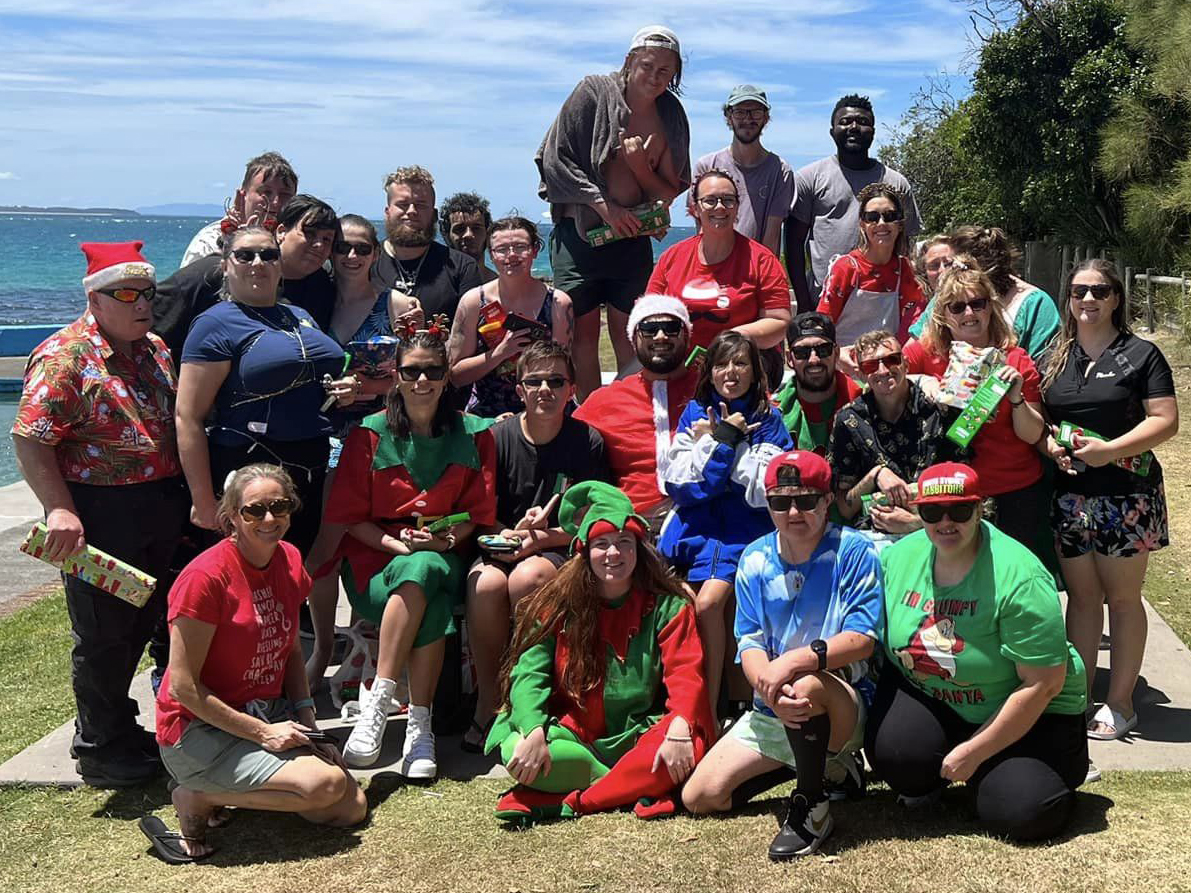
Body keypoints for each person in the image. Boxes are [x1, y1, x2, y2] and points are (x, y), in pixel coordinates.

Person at [12, 241, 189, 788]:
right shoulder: (65, 356)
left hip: (161, 503)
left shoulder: (154, 347)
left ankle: (127, 728)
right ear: (95, 297)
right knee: (105, 633)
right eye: (126, 294)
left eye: (147, 293)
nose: (141, 304)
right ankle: (100, 745)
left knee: (153, 619)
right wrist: (59, 509)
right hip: (101, 508)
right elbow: (31, 439)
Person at [143, 465, 366, 864]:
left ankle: (230, 795)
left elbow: (291, 649)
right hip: (197, 730)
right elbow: (183, 688)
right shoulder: (205, 579)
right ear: (231, 518)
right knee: (324, 786)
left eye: (279, 506)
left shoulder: (290, 559)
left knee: (351, 808)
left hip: (267, 714)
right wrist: (264, 734)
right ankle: (194, 794)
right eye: (254, 510)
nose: (269, 519)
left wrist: (307, 719)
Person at [869, 462, 1088, 841]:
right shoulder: (898, 557)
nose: (945, 523)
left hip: (1034, 710)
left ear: (980, 507)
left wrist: (974, 751)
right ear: (918, 511)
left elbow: (1043, 685)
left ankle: (1024, 770)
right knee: (896, 756)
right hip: (942, 696)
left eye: (960, 510)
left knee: (1021, 812)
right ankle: (954, 768)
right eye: (932, 512)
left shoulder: (1019, 576)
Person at [682, 451, 882, 860]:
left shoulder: (855, 551)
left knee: (804, 683)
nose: (794, 511)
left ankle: (812, 806)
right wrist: (766, 685)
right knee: (701, 797)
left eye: (807, 500)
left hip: (842, 698)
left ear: (827, 501)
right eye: (780, 502)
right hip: (773, 704)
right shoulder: (754, 558)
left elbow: (863, 638)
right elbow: (750, 642)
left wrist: (792, 662)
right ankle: (831, 770)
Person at [485, 481, 714, 822]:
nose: (614, 554)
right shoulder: (555, 606)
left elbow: (685, 674)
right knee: (515, 749)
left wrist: (680, 724)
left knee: (685, 746)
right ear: (584, 551)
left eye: (624, 543)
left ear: (639, 549)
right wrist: (533, 729)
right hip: (572, 734)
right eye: (602, 544)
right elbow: (528, 672)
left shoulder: (670, 607)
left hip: (641, 735)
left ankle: (578, 800)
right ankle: (629, 785)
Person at [324, 331, 497, 774]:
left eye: (433, 371)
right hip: (375, 560)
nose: (422, 380)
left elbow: (477, 512)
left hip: (446, 552)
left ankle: (380, 706)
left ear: (446, 379)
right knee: (430, 596)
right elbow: (351, 517)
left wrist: (443, 541)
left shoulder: (476, 434)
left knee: (424, 568)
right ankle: (419, 727)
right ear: (397, 377)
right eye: (411, 371)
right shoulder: (367, 435)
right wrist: (397, 545)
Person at [1039, 260, 1177, 741]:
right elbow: (1042, 419)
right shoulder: (1056, 356)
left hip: (1127, 496)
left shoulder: (1142, 355)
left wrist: (1110, 452)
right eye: (1079, 292)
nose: (1088, 300)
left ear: (1117, 298)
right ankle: (1078, 697)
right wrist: (1049, 445)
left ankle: (1120, 704)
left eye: (1099, 291)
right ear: (1069, 299)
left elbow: (1165, 419)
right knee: (1080, 600)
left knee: (1121, 599)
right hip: (1071, 498)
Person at [464, 341, 610, 751]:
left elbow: (592, 520)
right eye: (535, 381)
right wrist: (507, 534)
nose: (545, 389)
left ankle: (527, 697)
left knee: (531, 575)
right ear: (519, 389)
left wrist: (538, 539)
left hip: (556, 548)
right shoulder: (496, 437)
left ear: (572, 389)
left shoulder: (589, 442)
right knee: (484, 583)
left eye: (555, 381)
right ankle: (490, 699)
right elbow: (479, 511)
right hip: (502, 540)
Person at [536, 25, 691, 398]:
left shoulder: (670, 113)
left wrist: (639, 169)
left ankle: (630, 413)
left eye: (665, 71)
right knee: (583, 336)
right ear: (629, 61)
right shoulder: (593, 92)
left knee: (631, 332)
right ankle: (592, 417)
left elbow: (672, 188)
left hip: (631, 238)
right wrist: (606, 208)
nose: (654, 78)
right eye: (648, 66)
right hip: (580, 236)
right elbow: (555, 159)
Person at [175, 226, 348, 560]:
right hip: (250, 468)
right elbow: (188, 416)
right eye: (245, 255)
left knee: (293, 573)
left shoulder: (298, 315)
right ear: (225, 264)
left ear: (280, 265)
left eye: (269, 255)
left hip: (307, 467)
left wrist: (345, 388)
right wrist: (203, 500)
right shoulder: (215, 324)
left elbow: (311, 375)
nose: (258, 263)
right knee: (248, 580)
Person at [659, 331, 791, 715]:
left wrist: (722, 440)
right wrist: (727, 441)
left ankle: (709, 708)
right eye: (721, 364)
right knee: (675, 602)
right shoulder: (695, 413)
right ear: (709, 371)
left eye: (740, 363)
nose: (730, 372)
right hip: (692, 534)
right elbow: (683, 484)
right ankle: (689, 700)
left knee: (709, 603)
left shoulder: (770, 421)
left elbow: (762, 489)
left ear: (755, 371)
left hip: (741, 534)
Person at [304, 214, 410, 690]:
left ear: (376, 253)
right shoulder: (311, 302)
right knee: (320, 548)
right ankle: (326, 644)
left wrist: (365, 385)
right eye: (342, 248)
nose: (351, 256)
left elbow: (422, 373)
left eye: (362, 249)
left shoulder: (398, 305)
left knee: (377, 540)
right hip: (318, 436)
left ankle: (383, 645)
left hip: (377, 436)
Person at [904, 256, 1050, 554]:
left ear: (990, 307)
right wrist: (921, 380)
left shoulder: (1015, 359)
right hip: (950, 494)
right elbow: (885, 376)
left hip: (1015, 491)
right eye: (957, 307)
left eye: (977, 304)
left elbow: (1033, 434)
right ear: (943, 314)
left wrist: (1017, 398)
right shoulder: (926, 354)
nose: (969, 313)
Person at [154, 195, 342, 363]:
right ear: (282, 231)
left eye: (327, 239)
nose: (318, 245)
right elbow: (147, 317)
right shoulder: (217, 272)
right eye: (309, 234)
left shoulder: (323, 288)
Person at [786, 95, 920, 313]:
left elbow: (907, 247)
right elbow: (794, 243)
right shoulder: (809, 178)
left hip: (885, 298)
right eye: (846, 122)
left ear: (874, 132)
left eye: (863, 122)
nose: (854, 127)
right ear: (832, 131)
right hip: (823, 299)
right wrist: (803, 302)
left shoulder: (896, 183)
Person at [573, 295, 699, 524]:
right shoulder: (606, 400)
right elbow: (557, 432)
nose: (660, 336)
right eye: (649, 329)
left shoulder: (709, 389)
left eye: (671, 327)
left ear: (686, 335)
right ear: (634, 339)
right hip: (630, 524)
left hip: (701, 517)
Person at [828, 330, 962, 536]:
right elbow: (845, 508)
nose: (882, 370)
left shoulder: (938, 409)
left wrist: (918, 523)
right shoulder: (849, 420)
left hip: (939, 530)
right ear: (862, 374)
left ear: (906, 364)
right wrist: (876, 475)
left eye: (891, 360)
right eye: (871, 365)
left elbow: (963, 485)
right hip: (875, 535)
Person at [646, 169, 790, 350]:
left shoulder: (762, 260)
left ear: (737, 207)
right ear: (695, 208)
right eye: (710, 201)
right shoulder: (672, 257)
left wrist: (730, 342)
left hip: (740, 364)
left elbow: (778, 322)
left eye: (728, 200)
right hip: (681, 366)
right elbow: (647, 312)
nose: (720, 207)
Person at [447, 216, 575, 418]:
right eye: (502, 249)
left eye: (520, 247)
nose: (512, 255)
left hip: (544, 408)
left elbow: (563, 374)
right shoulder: (473, 302)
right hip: (488, 410)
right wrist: (500, 353)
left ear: (534, 250)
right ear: (491, 254)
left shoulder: (558, 303)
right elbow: (456, 375)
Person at [816, 183, 926, 376]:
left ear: (900, 224)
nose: (881, 223)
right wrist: (837, 354)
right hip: (846, 367)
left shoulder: (906, 270)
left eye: (890, 216)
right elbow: (822, 324)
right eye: (872, 217)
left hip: (887, 369)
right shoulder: (846, 268)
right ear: (862, 224)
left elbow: (912, 323)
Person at [910, 226, 1060, 362]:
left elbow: (1043, 373)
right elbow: (908, 357)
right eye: (958, 307)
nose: (945, 273)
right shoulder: (947, 296)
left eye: (951, 265)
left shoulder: (1035, 304)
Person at [691, 85, 794, 256]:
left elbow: (772, 235)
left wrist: (764, 276)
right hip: (715, 269)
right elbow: (702, 228)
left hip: (757, 271)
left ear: (766, 117)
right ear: (728, 117)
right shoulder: (706, 166)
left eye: (755, 112)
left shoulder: (780, 171)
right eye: (740, 112)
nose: (748, 119)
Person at [371, 166, 483, 323]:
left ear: (434, 214)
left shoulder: (462, 267)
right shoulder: (365, 261)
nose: (411, 211)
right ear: (387, 212)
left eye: (421, 205)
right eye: (403, 204)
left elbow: (471, 335)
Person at [179, 151, 298, 267]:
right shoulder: (210, 241)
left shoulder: (297, 242)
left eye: (285, 194)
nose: (275, 201)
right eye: (266, 192)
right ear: (244, 194)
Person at [772, 311, 860, 454]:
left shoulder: (867, 398)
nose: (814, 360)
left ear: (836, 353)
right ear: (789, 358)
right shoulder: (770, 412)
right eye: (802, 352)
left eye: (823, 350)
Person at [439, 191, 497, 283]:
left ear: (488, 234)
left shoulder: (501, 287)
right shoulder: (436, 283)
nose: (468, 235)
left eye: (476, 228)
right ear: (446, 235)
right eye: (460, 229)